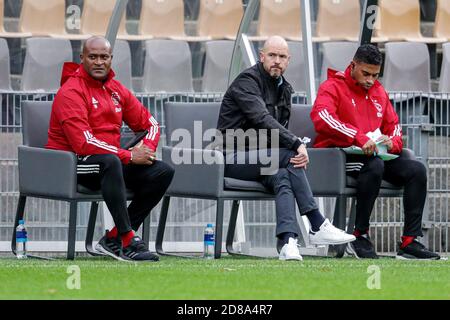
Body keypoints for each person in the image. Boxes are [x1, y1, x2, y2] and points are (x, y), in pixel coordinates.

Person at [217, 35, 355, 261]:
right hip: (232, 159)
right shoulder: (247, 82)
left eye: (282, 57)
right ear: (262, 57)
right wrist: (296, 143)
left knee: (283, 174)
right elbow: (261, 118)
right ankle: (317, 223)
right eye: (272, 55)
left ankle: (287, 242)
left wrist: (291, 145)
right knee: (290, 155)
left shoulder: (285, 89)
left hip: (265, 161)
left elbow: (277, 132)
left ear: (288, 61)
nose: (277, 61)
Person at [46, 36, 174, 262]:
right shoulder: (71, 91)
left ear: (111, 59)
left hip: (107, 164)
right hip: (72, 165)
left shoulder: (116, 90)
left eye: (103, 57)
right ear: (82, 58)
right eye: (92, 57)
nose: (98, 62)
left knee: (162, 170)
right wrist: (130, 156)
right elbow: (83, 143)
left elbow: (150, 123)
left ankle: (114, 239)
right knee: (110, 161)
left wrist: (147, 149)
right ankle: (127, 239)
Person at [311, 44, 440, 260]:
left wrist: (392, 142)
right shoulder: (332, 87)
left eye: (375, 75)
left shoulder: (379, 92)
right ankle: (360, 234)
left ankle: (409, 242)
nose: (371, 80)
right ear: (353, 66)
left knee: (416, 169)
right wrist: (358, 138)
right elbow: (323, 118)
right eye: (366, 73)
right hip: (341, 157)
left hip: (375, 156)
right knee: (375, 165)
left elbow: (394, 126)